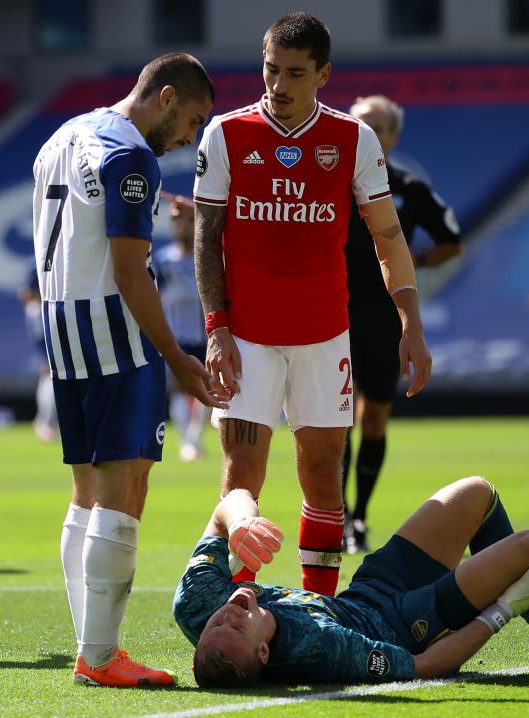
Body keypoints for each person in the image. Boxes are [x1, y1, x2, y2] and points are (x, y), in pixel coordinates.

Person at [193, 12, 432, 598]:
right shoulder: (226, 134)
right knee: (242, 473)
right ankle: (238, 600)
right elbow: (206, 238)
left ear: (323, 74)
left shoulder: (355, 140)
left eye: (295, 73)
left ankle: (319, 608)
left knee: (323, 472)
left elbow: (389, 238)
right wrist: (216, 328)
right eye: (271, 69)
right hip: (247, 335)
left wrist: (411, 324)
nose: (279, 84)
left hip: (326, 337)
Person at [173, 475, 529, 686]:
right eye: (238, 622)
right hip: (411, 622)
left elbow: (226, 502)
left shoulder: (197, 605)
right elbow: (428, 668)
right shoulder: (322, 651)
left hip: (373, 585)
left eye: (216, 622)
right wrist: (503, 609)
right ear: (267, 651)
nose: (232, 608)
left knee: (477, 493)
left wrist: (244, 519)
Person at [32, 52, 226, 688]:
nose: (190, 137)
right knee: (125, 488)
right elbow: (127, 271)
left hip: (66, 333)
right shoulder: (131, 154)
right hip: (119, 337)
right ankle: (101, 654)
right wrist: (177, 357)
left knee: (85, 492)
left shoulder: (62, 136)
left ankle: (88, 645)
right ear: (166, 97)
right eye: (193, 120)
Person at [342, 95, 463, 554]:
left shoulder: (409, 188)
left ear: (393, 136)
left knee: (373, 419)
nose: (368, 135)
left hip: (384, 320)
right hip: (332, 315)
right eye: (360, 127)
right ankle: (333, 516)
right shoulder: (331, 186)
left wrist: (414, 261)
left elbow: (452, 241)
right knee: (334, 422)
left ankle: (359, 518)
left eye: (376, 128)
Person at [154, 194, 209, 462]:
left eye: (188, 220)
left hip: (206, 334)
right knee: (178, 387)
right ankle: (186, 441)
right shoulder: (163, 260)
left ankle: (195, 439)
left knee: (204, 386)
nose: (183, 226)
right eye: (177, 221)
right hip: (177, 336)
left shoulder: (209, 255)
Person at [18, 258, 58, 443]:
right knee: (50, 382)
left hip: (52, 349)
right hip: (52, 352)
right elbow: (26, 293)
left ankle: (46, 423)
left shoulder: (35, 308)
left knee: (49, 382)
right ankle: (45, 424)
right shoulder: (36, 308)